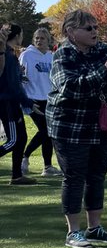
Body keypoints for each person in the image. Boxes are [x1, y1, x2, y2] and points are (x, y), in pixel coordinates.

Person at [45, 9, 107, 248]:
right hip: (69, 126)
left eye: (96, 27)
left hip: (100, 125)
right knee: (74, 178)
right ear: (70, 32)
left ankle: (94, 228)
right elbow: (71, 89)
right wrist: (104, 71)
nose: (95, 31)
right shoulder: (63, 55)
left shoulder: (104, 50)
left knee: (97, 176)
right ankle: (73, 232)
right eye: (89, 28)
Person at [20, 27, 61, 177]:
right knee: (45, 130)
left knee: (48, 133)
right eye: (37, 38)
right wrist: (24, 99)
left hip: (49, 98)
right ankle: (25, 156)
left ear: (48, 40)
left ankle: (47, 166)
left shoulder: (51, 56)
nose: (39, 40)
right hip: (33, 98)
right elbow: (21, 77)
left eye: (42, 38)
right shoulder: (27, 55)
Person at [0, 25, 35, 186]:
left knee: (22, 138)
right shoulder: (8, 55)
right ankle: (16, 175)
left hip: (11, 100)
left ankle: (16, 175)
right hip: (8, 101)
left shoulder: (9, 54)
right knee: (14, 140)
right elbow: (12, 85)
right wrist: (27, 102)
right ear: (17, 35)